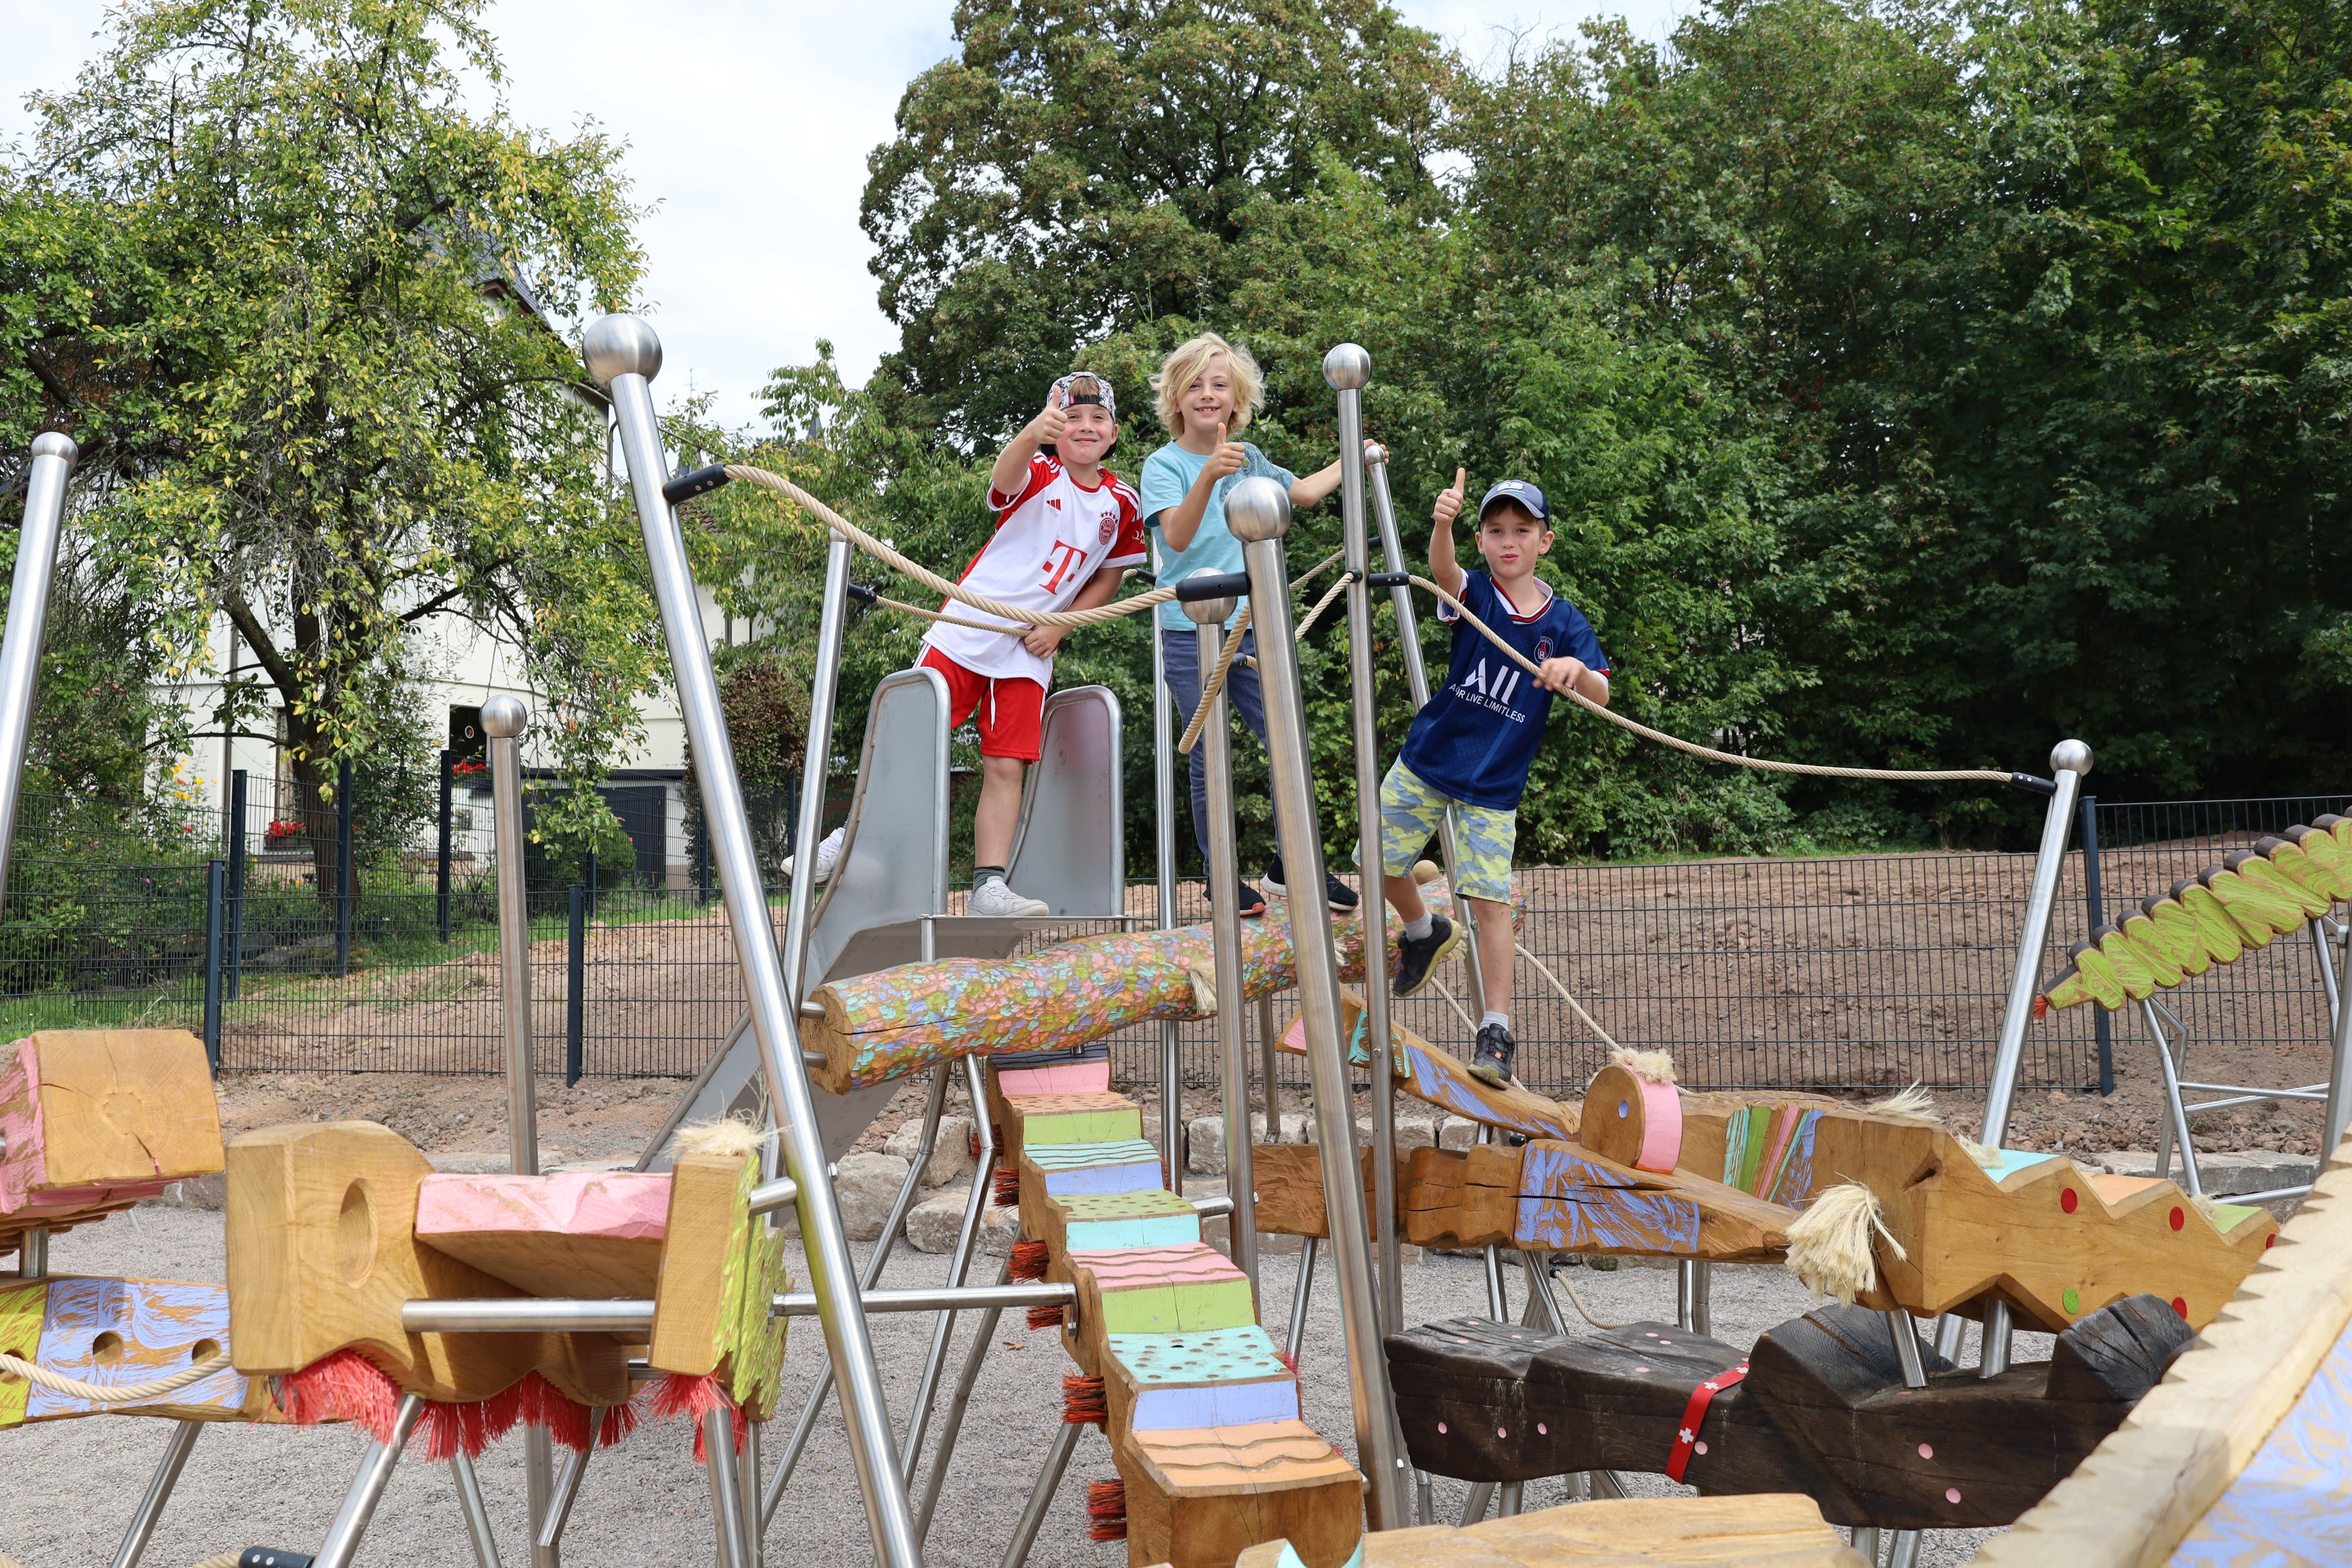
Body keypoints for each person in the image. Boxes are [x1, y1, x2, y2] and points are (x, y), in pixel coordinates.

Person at [797, 372, 1146, 914]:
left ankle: (989, 885)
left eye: (1096, 418)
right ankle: (851, 840)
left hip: (1031, 643)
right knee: (913, 740)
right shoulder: (1041, 469)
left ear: (1114, 431)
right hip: (970, 624)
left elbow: (1110, 577)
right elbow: (1005, 480)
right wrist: (1032, 433)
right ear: (1054, 429)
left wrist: (1064, 625)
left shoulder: (1122, 501)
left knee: (1007, 764)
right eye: (1071, 418)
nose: (1084, 427)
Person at [1374, 471, 1611, 1088]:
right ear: (1482, 541)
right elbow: (1442, 573)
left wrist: (1573, 669)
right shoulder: (1475, 592)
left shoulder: (1564, 623)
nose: (1510, 541)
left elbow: (1603, 694)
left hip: (1494, 784)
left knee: (1489, 903)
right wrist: (1443, 525)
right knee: (1378, 860)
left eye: (1522, 531)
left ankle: (1496, 1030)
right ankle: (1424, 932)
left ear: (1545, 541)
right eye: (1497, 531)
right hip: (1430, 758)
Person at [1140, 331, 1369, 916]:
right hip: (1192, 630)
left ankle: (1293, 867)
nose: (1208, 394)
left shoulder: (1252, 458)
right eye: (1195, 384)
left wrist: (1356, 455)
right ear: (1176, 398)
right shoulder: (1164, 465)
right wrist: (1208, 477)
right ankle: (1221, 875)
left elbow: (1307, 494)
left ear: (1237, 399)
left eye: (1219, 385)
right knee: (1210, 749)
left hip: (1252, 625)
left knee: (1287, 740)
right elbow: (1178, 537)